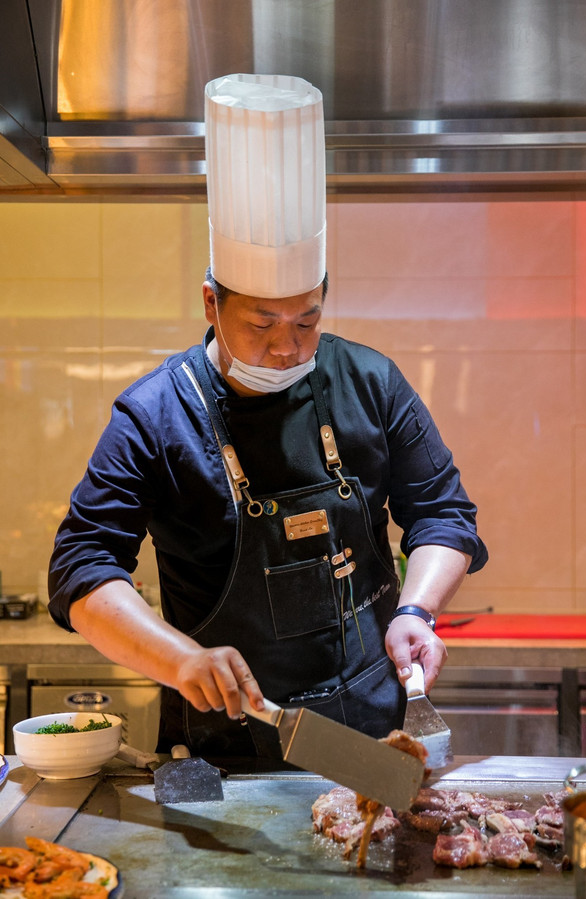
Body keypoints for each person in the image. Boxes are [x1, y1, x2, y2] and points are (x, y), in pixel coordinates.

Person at [48, 74, 487, 759]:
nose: (288, 346)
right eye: (261, 324)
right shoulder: (155, 415)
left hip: (372, 743)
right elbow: (82, 563)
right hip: (225, 751)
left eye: (307, 320)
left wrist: (415, 609)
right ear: (211, 302)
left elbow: (443, 514)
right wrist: (178, 658)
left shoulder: (370, 380)